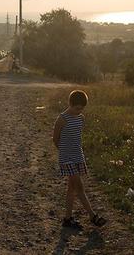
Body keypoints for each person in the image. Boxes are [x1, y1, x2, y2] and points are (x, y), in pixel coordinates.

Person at [52, 90, 107, 229]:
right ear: (70, 104)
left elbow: (77, 137)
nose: (79, 111)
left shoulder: (81, 118)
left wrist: (75, 152)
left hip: (78, 156)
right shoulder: (62, 119)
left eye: (82, 108)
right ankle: (92, 216)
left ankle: (67, 218)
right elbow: (55, 139)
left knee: (71, 189)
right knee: (80, 187)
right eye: (77, 108)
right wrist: (64, 152)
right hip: (67, 158)